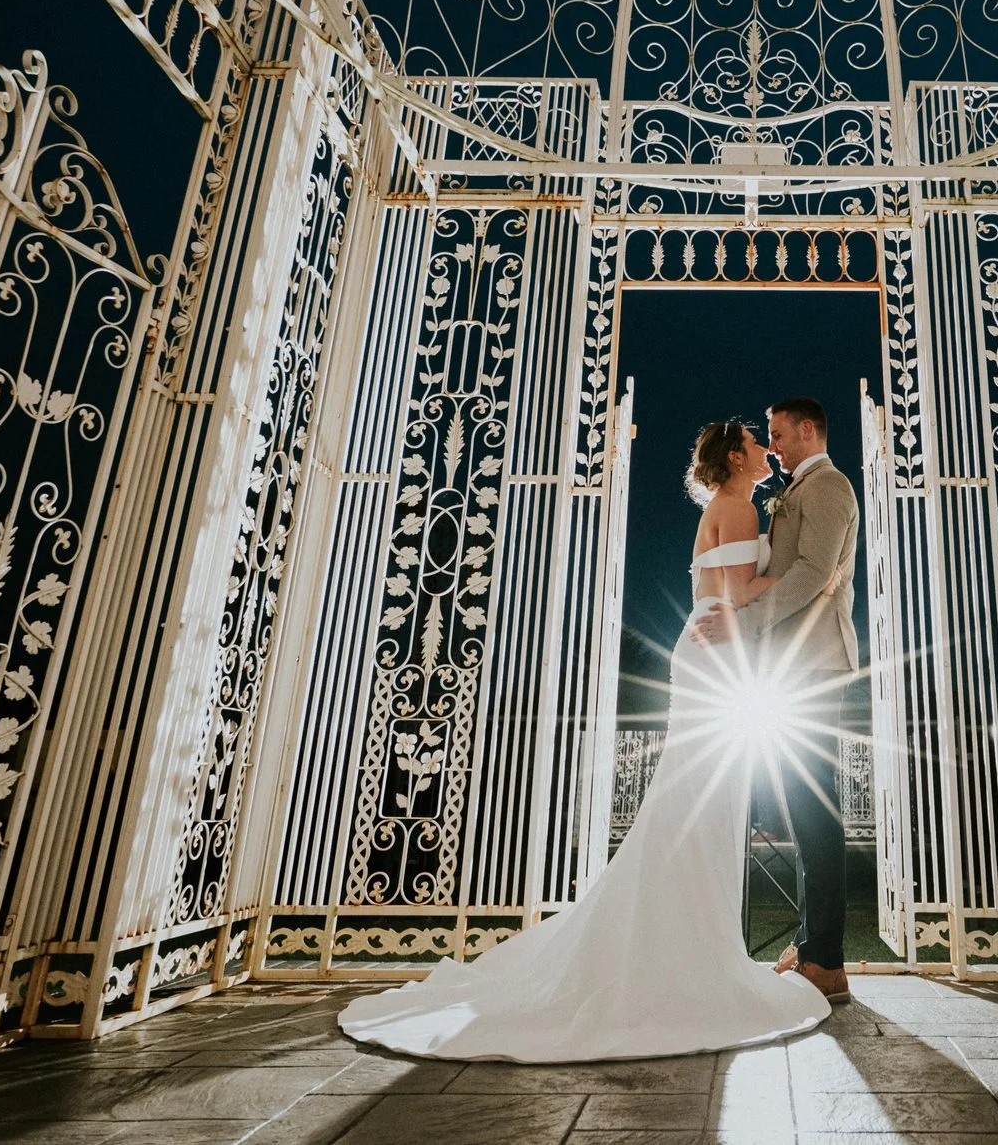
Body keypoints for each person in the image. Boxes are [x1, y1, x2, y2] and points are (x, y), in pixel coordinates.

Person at [338, 421, 830, 1061]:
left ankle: (684, 948)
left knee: (696, 808)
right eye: (758, 443)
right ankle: (685, 958)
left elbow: (722, 592)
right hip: (719, 656)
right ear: (738, 456)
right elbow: (737, 593)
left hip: (712, 652)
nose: (769, 450)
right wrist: (813, 578)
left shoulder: (726, 506)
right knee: (698, 808)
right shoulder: (735, 506)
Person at [689, 396, 859, 1004]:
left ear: (807, 429)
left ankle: (828, 961)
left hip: (814, 663)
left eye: (780, 434)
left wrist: (746, 625)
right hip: (789, 666)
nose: (775, 445)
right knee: (803, 809)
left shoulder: (830, 486)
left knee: (817, 810)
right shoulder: (790, 492)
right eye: (768, 437)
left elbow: (813, 574)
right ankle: (816, 944)